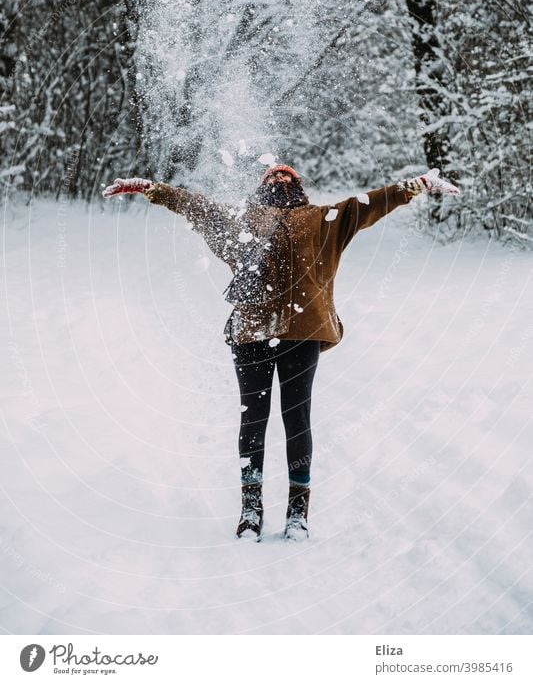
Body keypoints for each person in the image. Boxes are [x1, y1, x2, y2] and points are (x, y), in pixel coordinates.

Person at [103, 165, 460, 541]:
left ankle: (297, 513)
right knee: (253, 421)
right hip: (251, 334)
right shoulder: (241, 219)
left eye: (287, 177)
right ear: (262, 188)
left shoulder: (325, 219)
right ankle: (251, 511)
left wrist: (417, 185)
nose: (280, 179)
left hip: (303, 334)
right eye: (273, 177)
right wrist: (152, 189)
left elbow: (371, 202)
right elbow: (196, 206)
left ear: (299, 188)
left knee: (297, 419)